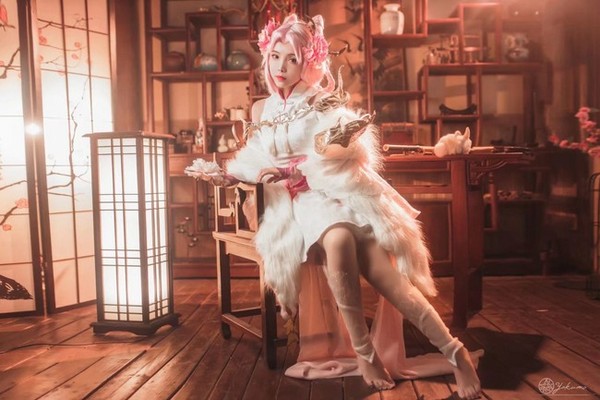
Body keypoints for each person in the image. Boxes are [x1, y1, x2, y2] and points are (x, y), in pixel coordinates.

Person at [189, 14, 482, 398]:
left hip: (336, 190)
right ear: (266, 57)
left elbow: (345, 152)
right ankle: (365, 354)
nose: (280, 67)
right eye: (275, 56)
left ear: (307, 61)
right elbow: (254, 159)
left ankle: (455, 352)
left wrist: (304, 166)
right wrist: (234, 175)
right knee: (339, 240)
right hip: (298, 202)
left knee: (385, 274)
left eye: (291, 59)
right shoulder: (260, 109)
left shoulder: (321, 100)